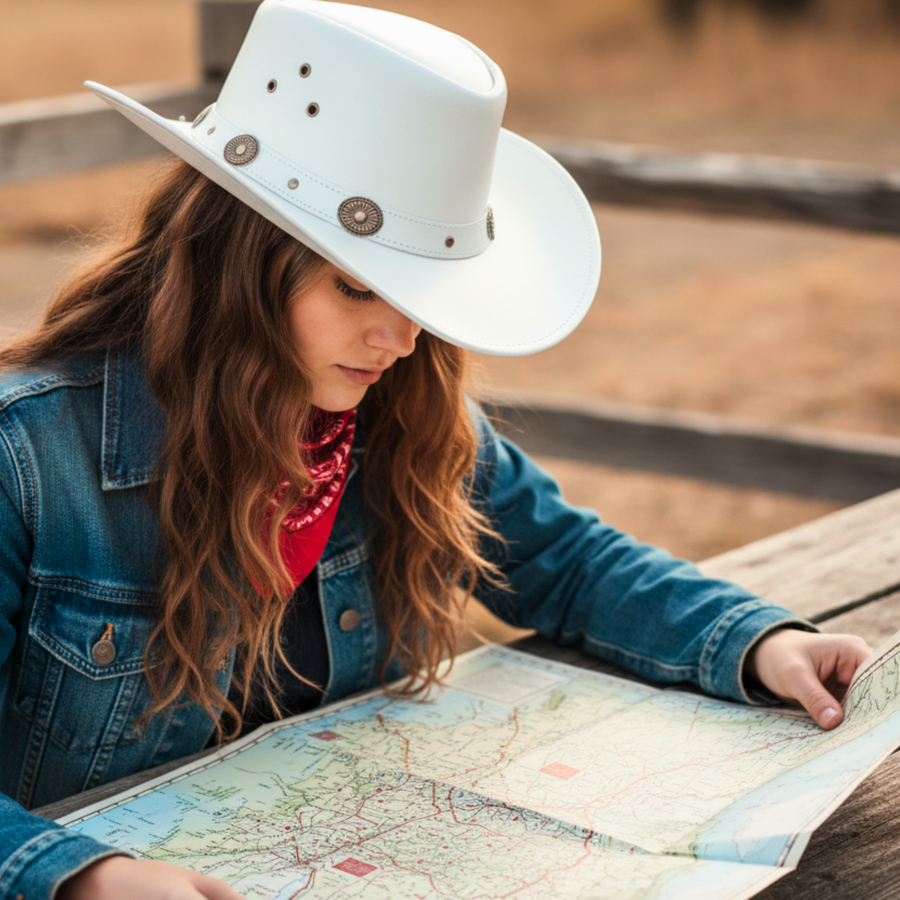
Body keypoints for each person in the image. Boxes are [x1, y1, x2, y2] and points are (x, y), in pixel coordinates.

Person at [0, 2, 871, 899]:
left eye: (420, 293)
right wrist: (84, 878)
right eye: (355, 286)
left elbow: (568, 562)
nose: (402, 339)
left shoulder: (398, 416)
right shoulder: (24, 460)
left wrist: (754, 640)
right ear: (235, 266)